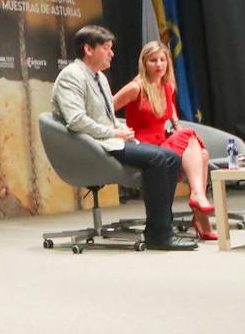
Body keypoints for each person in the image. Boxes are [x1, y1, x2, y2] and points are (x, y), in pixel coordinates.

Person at [51, 25, 194, 250]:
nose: (112, 53)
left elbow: (106, 117)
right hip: (93, 145)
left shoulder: (100, 78)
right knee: (158, 159)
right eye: (106, 48)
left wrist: (121, 129)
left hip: (110, 140)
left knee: (172, 158)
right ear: (88, 49)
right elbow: (77, 120)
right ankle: (160, 236)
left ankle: (160, 229)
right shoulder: (71, 76)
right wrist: (114, 132)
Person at [114, 41, 216, 240]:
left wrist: (180, 129)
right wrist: (117, 129)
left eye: (163, 60)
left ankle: (199, 206)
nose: (159, 65)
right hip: (143, 147)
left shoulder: (167, 85)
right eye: (153, 61)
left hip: (163, 144)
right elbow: (106, 107)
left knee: (201, 153)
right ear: (144, 63)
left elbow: (172, 114)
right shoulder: (136, 87)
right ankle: (200, 210)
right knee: (193, 142)